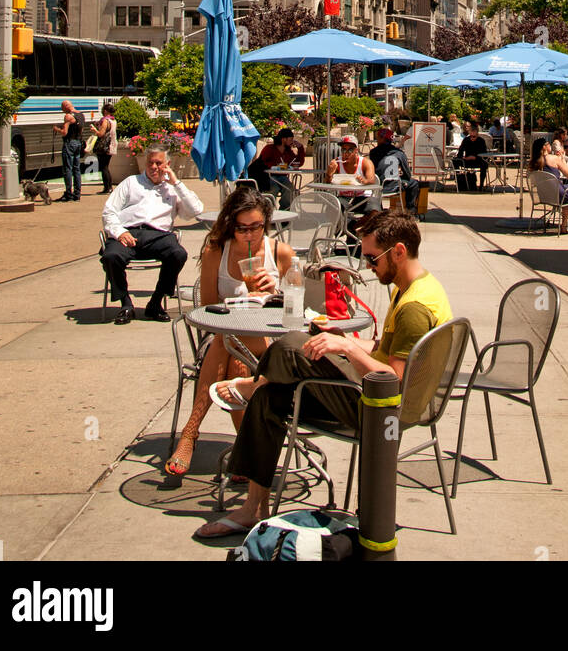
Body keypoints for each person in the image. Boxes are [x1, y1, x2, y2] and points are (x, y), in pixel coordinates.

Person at [193, 210, 452, 540]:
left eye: (372, 258)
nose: (368, 266)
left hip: (382, 412)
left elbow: (394, 380)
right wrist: (348, 341)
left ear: (398, 251)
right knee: (270, 397)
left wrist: (347, 351)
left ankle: (253, 382)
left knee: (290, 345)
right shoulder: (416, 286)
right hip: (377, 397)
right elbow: (390, 348)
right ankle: (254, 507)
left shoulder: (415, 306)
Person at [164, 186, 295, 478]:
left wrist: (274, 292)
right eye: (242, 228)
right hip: (219, 336)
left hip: (266, 339)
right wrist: (239, 302)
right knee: (231, 350)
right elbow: (207, 309)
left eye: (256, 227)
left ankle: (191, 434)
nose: (249, 235)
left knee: (231, 346)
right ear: (230, 225)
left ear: (266, 223)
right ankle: (243, 449)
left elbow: (295, 311)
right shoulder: (217, 251)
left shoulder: (280, 253)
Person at [100, 148, 204, 324]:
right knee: (111, 256)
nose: (154, 167)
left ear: (167, 165)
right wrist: (120, 232)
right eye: (151, 163)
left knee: (178, 254)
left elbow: (196, 210)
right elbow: (108, 212)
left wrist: (176, 183)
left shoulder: (173, 189)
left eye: (158, 163)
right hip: (128, 232)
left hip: (159, 235)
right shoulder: (130, 183)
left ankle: (155, 302)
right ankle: (125, 303)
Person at [529, 135, 568, 232]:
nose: (550, 145)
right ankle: (565, 224)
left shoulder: (533, 162)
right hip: (557, 194)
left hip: (542, 195)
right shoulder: (554, 158)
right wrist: (562, 159)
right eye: (548, 144)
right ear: (544, 147)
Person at [369, 125, 420, 214]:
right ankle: (410, 211)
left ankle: (378, 209)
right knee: (414, 183)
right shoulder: (399, 153)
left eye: (378, 138)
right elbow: (407, 174)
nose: (377, 140)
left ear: (381, 138)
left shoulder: (373, 152)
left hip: (378, 187)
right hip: (395, 187)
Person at [257, 128, 306, 206]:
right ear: (284, 139)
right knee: (274, 188)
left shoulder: (288, 152)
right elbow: (262, 162)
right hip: (268, 176)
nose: (292, 142)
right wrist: (275, 166)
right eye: (291, 139)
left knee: (291, 189)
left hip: (282, 176)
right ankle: (268, 209)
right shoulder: (269, 148)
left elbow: (297, 163)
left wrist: (300, 148)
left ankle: (285, 209)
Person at [54, 99, 86, 202]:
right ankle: (77, 194)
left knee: (68, 168)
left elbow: (64, 132)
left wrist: (57, 129)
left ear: (66, 107)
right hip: (78, 142)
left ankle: (68, 193)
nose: (62, 110)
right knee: (77, 169)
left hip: (69, 143)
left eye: (62, 108)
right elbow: (81, 130)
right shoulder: (81, 115)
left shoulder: (68, 116)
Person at [452, 119, 488, 192]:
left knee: (484, 165)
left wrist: (475, 157)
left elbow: (485, 154)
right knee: (455, 161)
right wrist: (462, 157)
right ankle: (459, 181)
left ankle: (481, 185)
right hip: (467, 160)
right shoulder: (466, 140)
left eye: (474, 137)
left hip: (478, 160)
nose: (472, 138)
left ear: (477, 134)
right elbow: (461, 150)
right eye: (471, 136)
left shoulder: (481, 141)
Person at [90, 101, 118, 196]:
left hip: (104, 146)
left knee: (103, 167)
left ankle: (107, 188)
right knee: (106, 166)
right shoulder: (113, 120)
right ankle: (109, 187)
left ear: (105, 111)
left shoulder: (105, 121)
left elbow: (101, 134)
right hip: (111, 145)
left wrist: (94, 130)